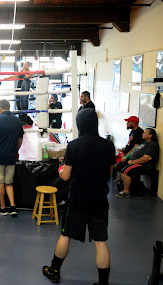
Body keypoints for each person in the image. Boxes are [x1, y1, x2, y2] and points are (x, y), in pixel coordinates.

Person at [43, 108, 115, 285]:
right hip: (99, 198)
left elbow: (65, 176)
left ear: (79, 123)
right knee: (100, 241)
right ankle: (103, 282)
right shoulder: (108, 145)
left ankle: (54, 270)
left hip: (77, 199)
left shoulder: (74, 145)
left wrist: (61, 169)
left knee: (65, 235)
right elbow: (109, 172)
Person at [0, 99, 23, 217]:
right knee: (9, 183)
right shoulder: (17, 120)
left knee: (0, 182)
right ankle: (12, 206)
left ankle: (2, 208)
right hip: (11, 155)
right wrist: (16, 151)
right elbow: (20, 139)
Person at [116, 128, 159, 198]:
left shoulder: (152, 144)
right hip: (134, 161)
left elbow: (147, 158)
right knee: (119, 165)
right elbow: (135, 151)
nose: (143, 134)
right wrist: (127, 156)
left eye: (145, 133)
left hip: (145, 164)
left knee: (126, 170)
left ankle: (126, 192)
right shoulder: (144, 142)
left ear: (150, 135)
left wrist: (133, 162)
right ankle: (124, 185)